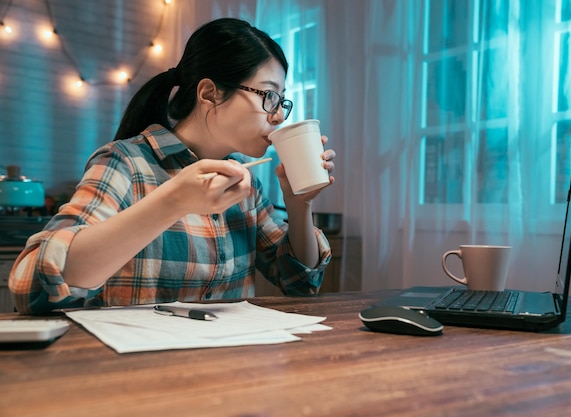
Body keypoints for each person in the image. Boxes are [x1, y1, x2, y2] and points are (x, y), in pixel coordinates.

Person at [9, 17, 335, 314]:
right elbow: (30, 285)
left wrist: (298, 203)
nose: (278, 115)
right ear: (209, 93)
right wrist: (173, 199)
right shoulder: (126, 163)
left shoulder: (246, 187)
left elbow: (300, 283)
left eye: (282, 102)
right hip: (134, 367)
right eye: (268, 96)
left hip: (229, 366)